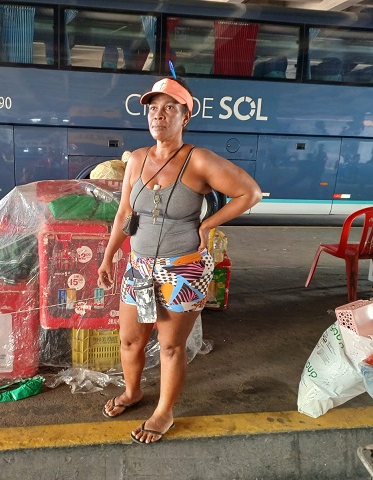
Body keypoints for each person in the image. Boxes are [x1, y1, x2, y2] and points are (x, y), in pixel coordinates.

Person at [97, 77, 261, 444]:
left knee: (170, 346)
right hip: (139, 268)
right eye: (153, 108)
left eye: (170, 107)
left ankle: (164, 411)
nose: (159, 115)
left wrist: (208, 224)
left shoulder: (197, 159)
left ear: (186, 116)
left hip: (183, 269)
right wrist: (108, 257)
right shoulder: (137, 159)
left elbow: (249, 192)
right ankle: (132, 392)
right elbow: (126, 213)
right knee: (130, 340)